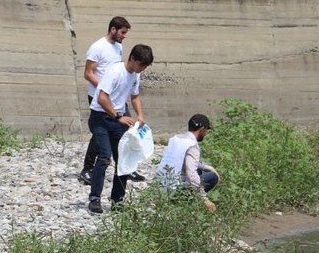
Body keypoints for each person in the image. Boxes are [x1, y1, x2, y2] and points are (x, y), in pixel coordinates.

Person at [88, 44, 154, 214]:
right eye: (141, 65)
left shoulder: (135, 75)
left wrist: (140, 115)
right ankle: (94, 198)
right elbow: (102, 98)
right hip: (100, 118)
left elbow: (135, 96)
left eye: (145, 67)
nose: (142, 69)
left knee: (123, 159)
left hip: (117, 121)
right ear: (132, 58)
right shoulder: (115, 71)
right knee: (104, 156)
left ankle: (117, 200)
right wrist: (118, 116)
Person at [80, 16, 145, 186]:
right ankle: (87, 168)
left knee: (125, 129)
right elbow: (88, 73)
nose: (125, 36)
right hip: (99, 96)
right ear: (113, 29)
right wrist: (105, 88)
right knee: (100, 133)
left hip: (117, 96)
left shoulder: (118, 47)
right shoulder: (98, 47)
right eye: (123, 32)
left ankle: (127, 168)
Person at [155, 114, 220, 212]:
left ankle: (176, 200)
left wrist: (207, 167)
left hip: (159, 187)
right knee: (212, 177)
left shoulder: (176, 139)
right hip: (173, 190)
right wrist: (204, 198)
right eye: (207, 130)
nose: (206, 133)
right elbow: (191, 174)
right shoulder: (192, 145)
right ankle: (186, 203)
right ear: (202, 129)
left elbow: (185, 160)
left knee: (200, 170)